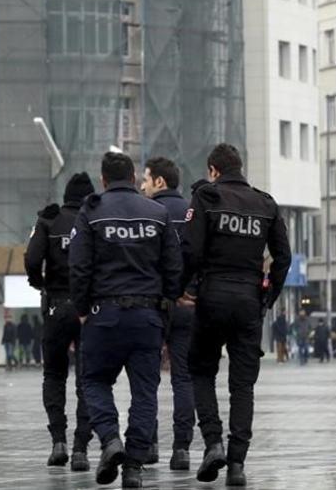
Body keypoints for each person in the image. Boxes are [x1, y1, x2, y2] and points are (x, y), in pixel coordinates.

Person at [69, 151, 183, 489]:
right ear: (133, 177)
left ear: (103, 180)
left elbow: (79, 267)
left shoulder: (90, 212)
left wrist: (82, 308)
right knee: (145, 393)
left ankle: (109, 439)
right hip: (147, 316)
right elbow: (173, 269)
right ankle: (133, 467)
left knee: (94, 382)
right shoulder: (158, 213)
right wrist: (166, 305)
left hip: (103, 315)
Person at [184, 143, 291, 487]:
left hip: (212, 296)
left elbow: (192, 250)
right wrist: (268, 297)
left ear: (213, 170)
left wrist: (186, 289)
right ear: (240, 168)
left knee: (200, 370)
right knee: (242, 385)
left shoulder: (206, 198)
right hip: (248, 301)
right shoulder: (265, 203)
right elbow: (283, 258)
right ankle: (237, 464)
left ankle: (213, 442)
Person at [23, 171, 96, 471]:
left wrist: (39, 283)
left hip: (56, 305)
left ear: (66, 197)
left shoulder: (49, 221)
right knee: (87, 381)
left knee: (54, 375)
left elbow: (30, 258)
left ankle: (58, 442)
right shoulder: (95, 219)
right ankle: (81, 448)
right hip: (90, 310)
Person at [143, 157, 198, 471]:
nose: (143, 185)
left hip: (155, 305)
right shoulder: (192, 212)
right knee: (183, 379)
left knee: (146, 377)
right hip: (188, 305)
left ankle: (149, 443)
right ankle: (182, 448)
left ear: (160, 182)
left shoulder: (147, 213)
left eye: (147, 179)